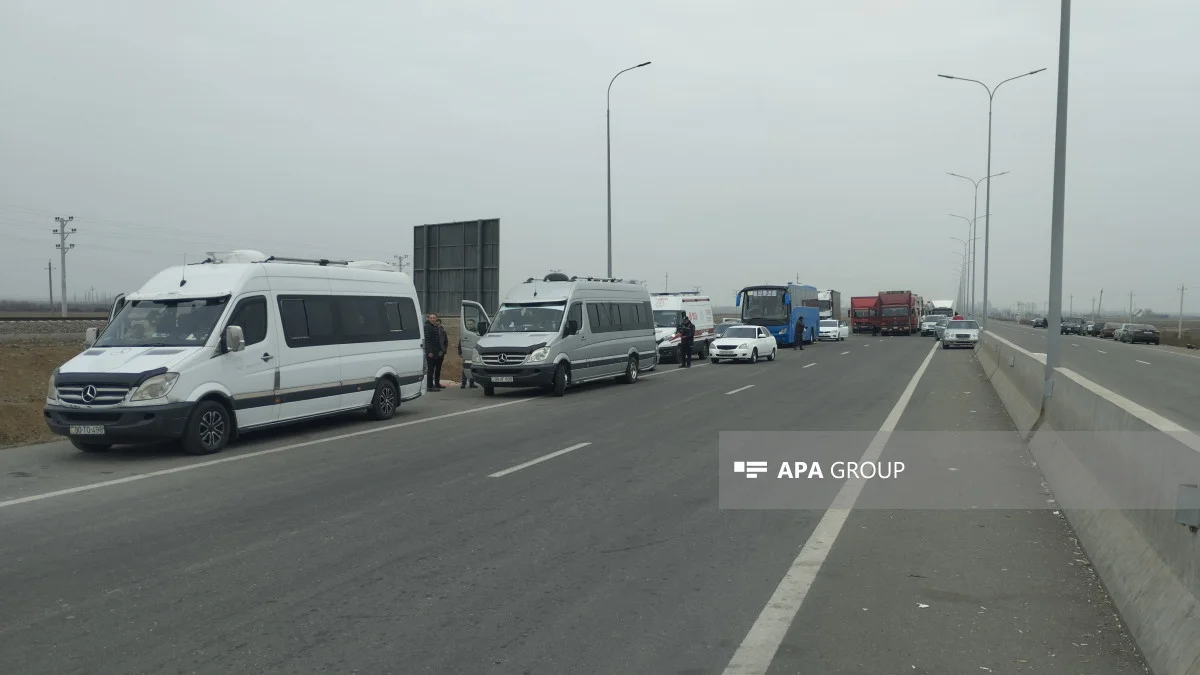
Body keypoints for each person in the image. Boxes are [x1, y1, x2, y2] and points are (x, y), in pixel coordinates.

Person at [424, 313, 446, 391]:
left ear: (436, 319)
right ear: (428, 319)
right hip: (431, 353)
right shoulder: (427, 327)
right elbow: (427, 340)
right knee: (430, 370)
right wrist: (429, 351)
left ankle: (434, 384)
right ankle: (429, 386)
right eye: (431, 318)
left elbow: (438, 341)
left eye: (434, 318)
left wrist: (441, 351)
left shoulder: (434, 327)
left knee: (434, 369)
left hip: (436, 352)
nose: (433, 319)